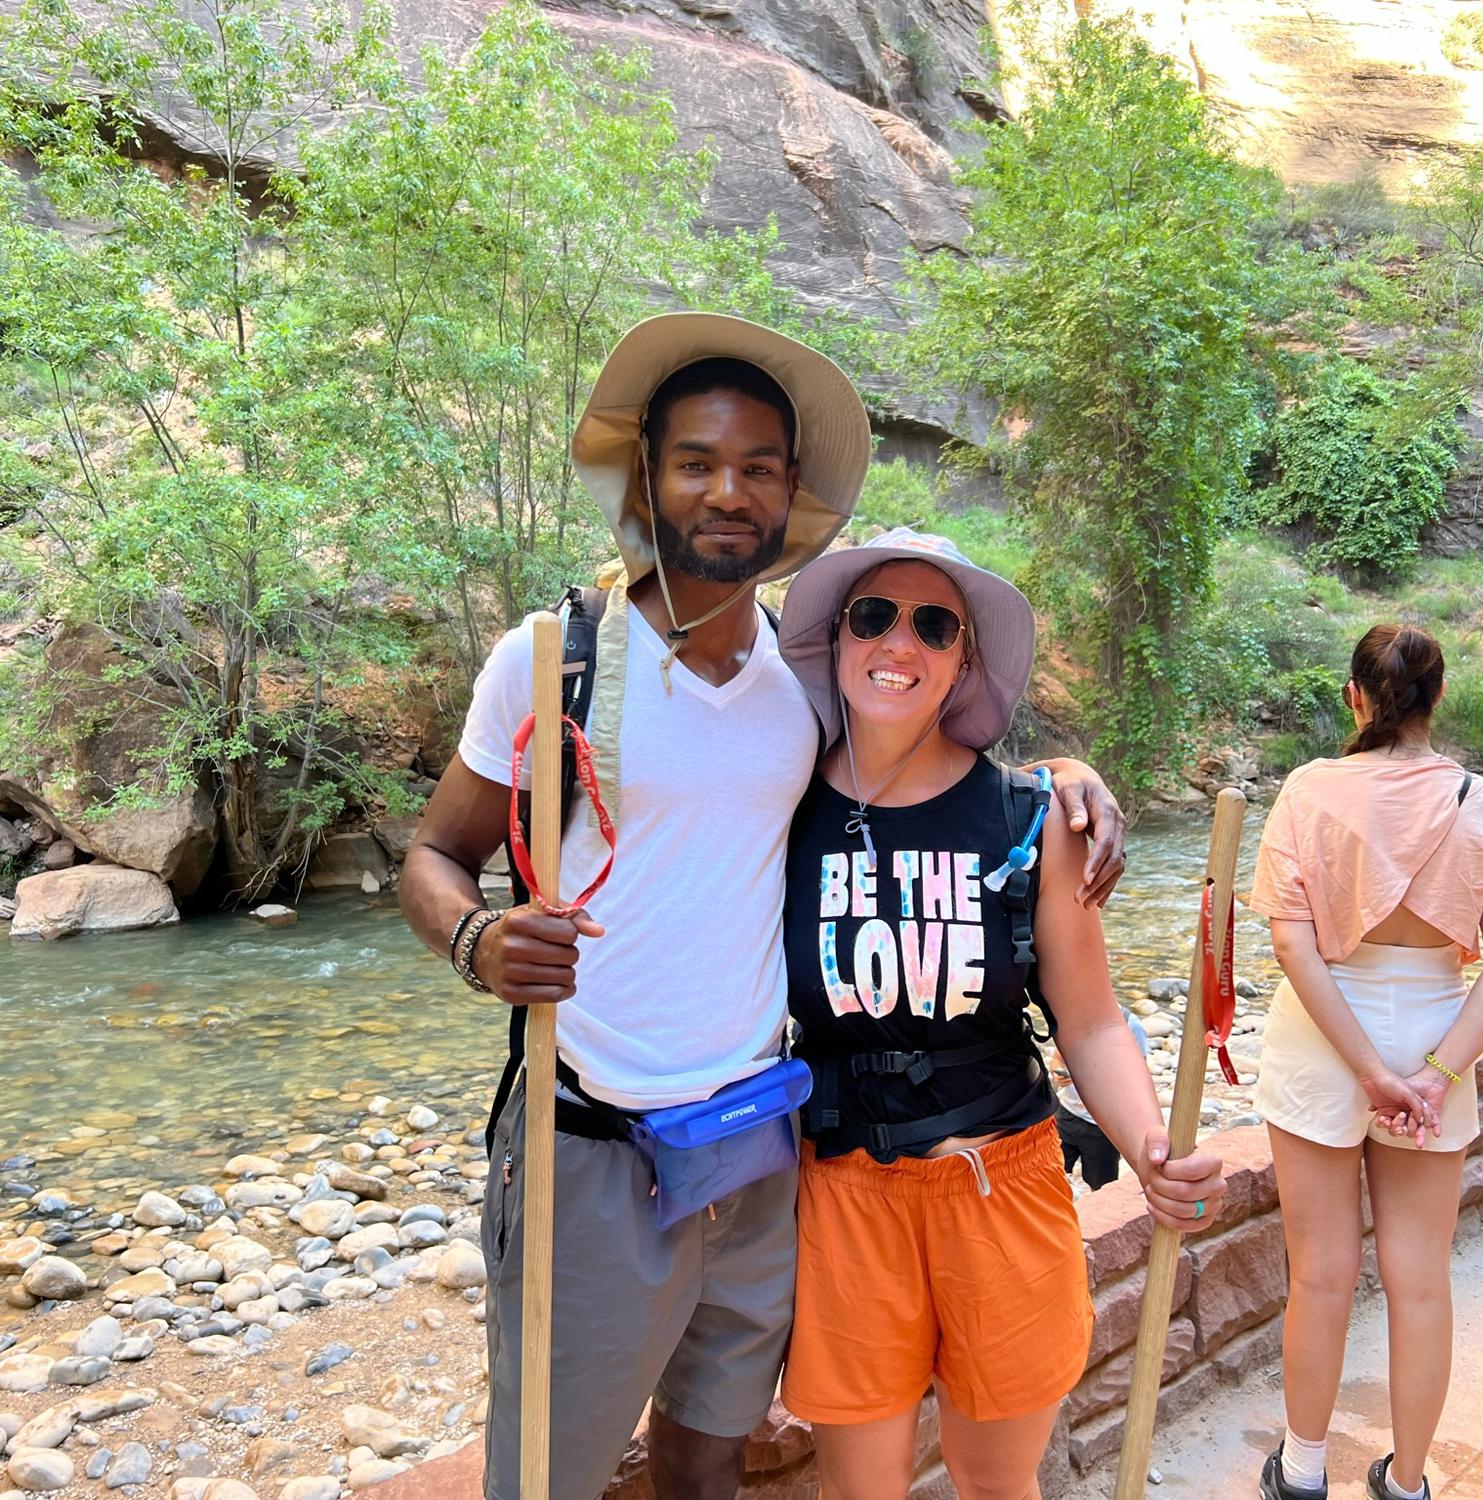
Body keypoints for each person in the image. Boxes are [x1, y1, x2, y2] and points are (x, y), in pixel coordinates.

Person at [397, 312, 1128, 1500]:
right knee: (547, 1472)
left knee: (709, 1454)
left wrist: (1061, 783)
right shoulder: (552, 660)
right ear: (649, 477)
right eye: (698, 461)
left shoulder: (805, 692)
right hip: (591, 1136)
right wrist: (477, 937)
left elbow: (920, 753)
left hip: (760, 1144)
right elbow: (433, 854)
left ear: (791, 497)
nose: (727, 491)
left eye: (758, 469)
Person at [775, 528, 1228, 1500]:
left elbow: (1093, 1022)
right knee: (863, 1488)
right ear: (837, 637)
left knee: (997, 1483)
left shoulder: (1032, 820)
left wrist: (1148, 1145)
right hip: (843, 1199)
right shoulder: (779, 811)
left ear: (963, 660)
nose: (901, 643)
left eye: (934, 625)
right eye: (874, 616)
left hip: (1002, 1196)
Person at [1249, 624, 1483, 1500]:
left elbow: (1293, 944)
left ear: (1355, 698)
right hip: (1438, 1028)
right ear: (1437, 700)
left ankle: (1306, 1471)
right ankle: (1407, 1481)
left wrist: (1364, 1069)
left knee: (1319, 1271)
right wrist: (1432, 1073)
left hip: (1326, 1041)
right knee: (1420, 1280)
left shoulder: (1309, 792)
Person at [1053, 1007, 1152, 1190]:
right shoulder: (1071, 1011)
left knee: (1102, 1185)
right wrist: (1058, 1073)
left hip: (1102, 1124)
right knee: (1049, 1173)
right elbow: (1057, 1058)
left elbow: (1138, 1077)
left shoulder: (1130, 1024)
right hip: (1066, 1113)